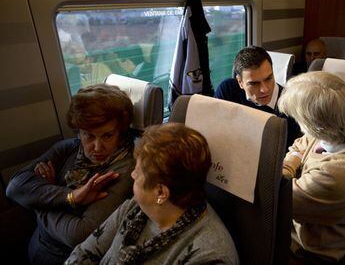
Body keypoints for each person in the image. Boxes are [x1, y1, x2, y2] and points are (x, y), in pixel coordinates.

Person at [65, 123, 239, 264]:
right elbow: (84, 252)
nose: (132, 175)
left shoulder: (209, 255)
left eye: (138, 172)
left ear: (161, 192)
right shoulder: (136, 207)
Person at [6, 84, 138, 264]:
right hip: (36, 245)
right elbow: (15, 187)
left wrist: (39, 198)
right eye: (89, 136)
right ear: (79, 132)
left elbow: (78, 235)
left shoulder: (124, 170)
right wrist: (71, 197)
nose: (97, 148)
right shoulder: (69, 148)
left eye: (107, 136)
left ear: (121, 133)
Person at [277, 72, 345, 262]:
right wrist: (292, 161)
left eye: (299, 120)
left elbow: (278, 200)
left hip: (314, 250)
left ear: (318, 126)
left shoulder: (336, 177)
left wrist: (287, 168)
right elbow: (302, 144)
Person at [215, 45, 300, 147]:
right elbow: (217, 131)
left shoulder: (292, 105)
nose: (265, 89)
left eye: (268, 78)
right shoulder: (228, 90)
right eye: (254, 84)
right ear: (240, 82)